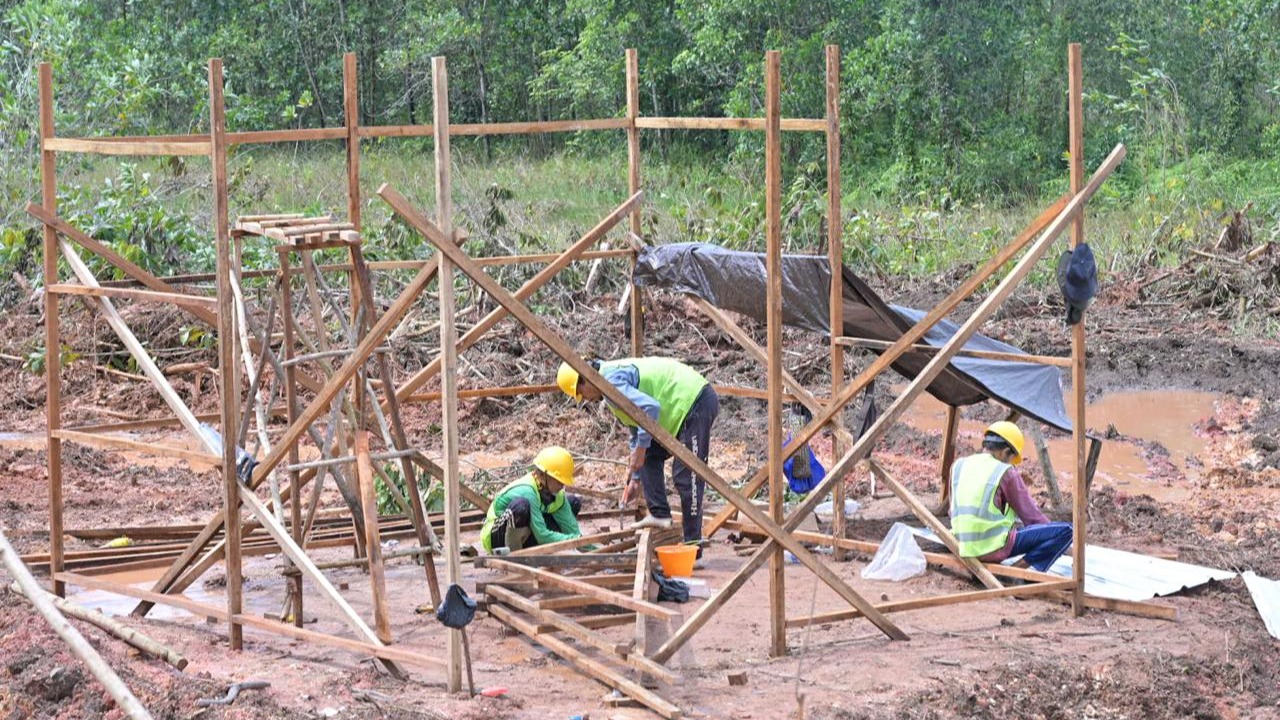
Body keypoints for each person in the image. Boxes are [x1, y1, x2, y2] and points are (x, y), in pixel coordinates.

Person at [556, 357, 719, 552]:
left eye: (581, 393)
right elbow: (636, 429)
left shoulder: (611, 381)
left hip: (694, 401)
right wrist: (635, 478)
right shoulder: (608, 391)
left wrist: (640, 450)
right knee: (649, 454)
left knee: (687, 475)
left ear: (585, 379)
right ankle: (660, 515)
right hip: (679, 412)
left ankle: (693, 545)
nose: (586, 399)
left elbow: (650, 408)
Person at [949, 421, 1072, 572]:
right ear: (1005, 452)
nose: (1011, 464)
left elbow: (954, 510)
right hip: (990, 549)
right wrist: (1063, 546)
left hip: (961, 544)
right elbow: (1032, 518)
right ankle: (1018, 571)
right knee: (1066, 531)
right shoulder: (1005, 472)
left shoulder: (959, 465)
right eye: (1011, 458)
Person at [481, 446, 583, 554]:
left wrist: (592, 548)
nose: (562, 486)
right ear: (543, 475)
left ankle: (535, 552)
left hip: (525, 534)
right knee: (521, 506)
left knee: (573, 502)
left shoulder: (557, 495)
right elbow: (542, 535)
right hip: (497, 538)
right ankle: (514, 558)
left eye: (563, 482)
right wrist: (573, 539)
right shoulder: (527, 491)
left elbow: (574, 533)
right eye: (559, 481)